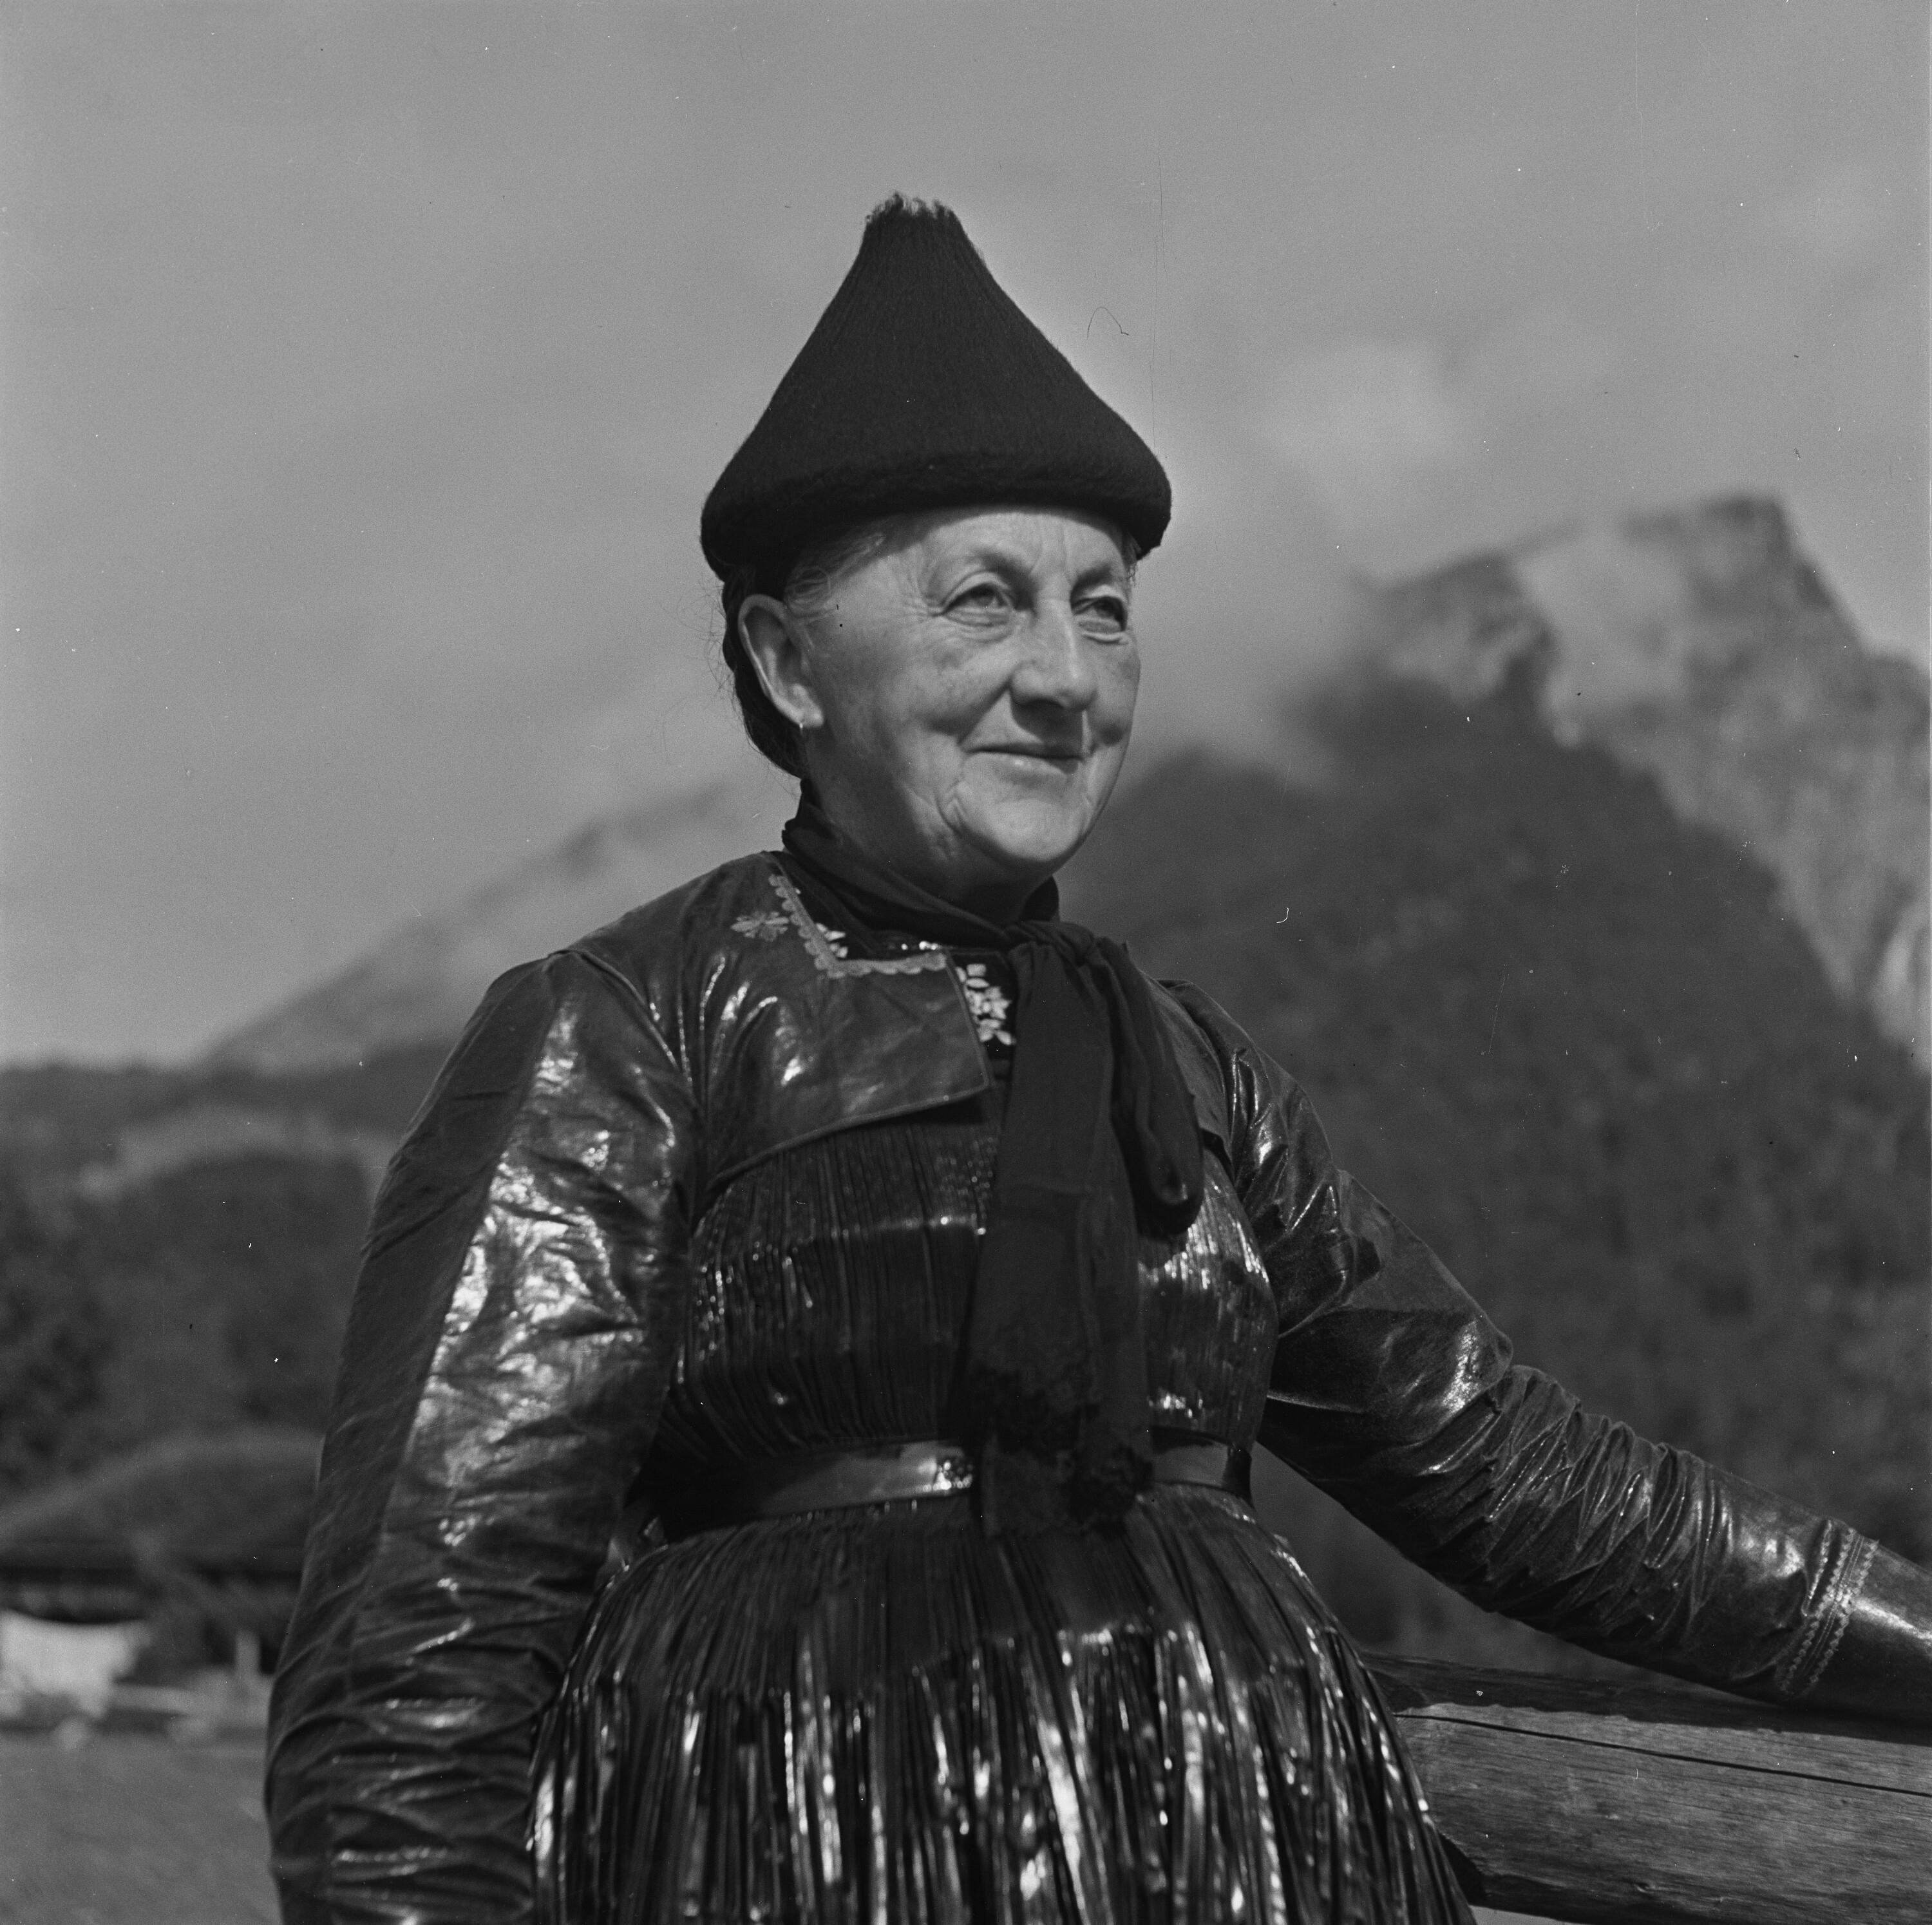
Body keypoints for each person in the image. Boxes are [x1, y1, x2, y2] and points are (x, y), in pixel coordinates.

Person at [265, 197, 1932, 1925]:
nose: (1066, 679)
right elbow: (417, 1654)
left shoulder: (1193, 1072)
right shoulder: (630, 1026)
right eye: (986, 602)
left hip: (1254, 1859)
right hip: (796, 1855)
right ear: (785, 658)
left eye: (1106, 611)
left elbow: (1518, 1475)